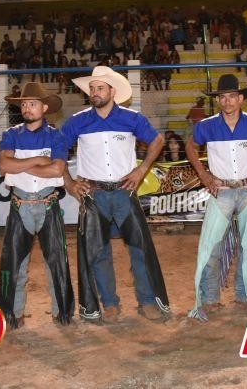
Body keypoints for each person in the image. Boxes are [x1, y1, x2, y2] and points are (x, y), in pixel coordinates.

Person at [60, 66, 170, 322]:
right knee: (98, 252)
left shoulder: (132, 119)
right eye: (92, 88)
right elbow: (58, 152)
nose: (95, 93)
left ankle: (146, 301)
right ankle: (109, 303)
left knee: (139, 248)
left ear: (113, 91)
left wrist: (141, 170)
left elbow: (158, 141)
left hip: (124, 191)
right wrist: (69, 183)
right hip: (93, 193)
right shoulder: (78, 120)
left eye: (100, 88)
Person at [186, 74, 247, 321]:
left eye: (232, 96)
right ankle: (209, 299)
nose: (227, 101)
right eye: (222, 97)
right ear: (218, 100)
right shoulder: (206, 126)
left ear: (241, 99)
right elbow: (190, 147)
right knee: (212, 246)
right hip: (222, 192)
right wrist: (203, 174)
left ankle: (245, 296)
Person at [0, 83, 74, 329]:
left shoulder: (56, 135)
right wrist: (39, 160)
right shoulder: (11, 134)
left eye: (33, 103)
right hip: (21, 204)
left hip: (47, 203)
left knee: (56, 263)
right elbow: (4, 167)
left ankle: (61, 313)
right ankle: (11, 314)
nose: (27, 108)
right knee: (14, 263)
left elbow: (57, 169)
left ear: (45, 107)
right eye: (24, 104)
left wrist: (21, 163)